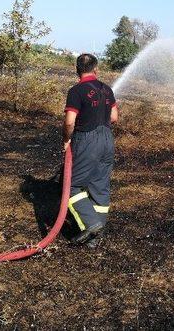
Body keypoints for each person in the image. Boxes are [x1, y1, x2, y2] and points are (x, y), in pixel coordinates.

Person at [62, 53, 118, 246]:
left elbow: (69, 122)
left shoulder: (76, 91)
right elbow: (114, 117)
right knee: (99, 187)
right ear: (96, 69)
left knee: (70, 185)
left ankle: (91, 222)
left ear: (77, 70)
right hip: (107, 140)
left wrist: (67, 139)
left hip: (88, 140)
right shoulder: (107, 90)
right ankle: (94, 240)